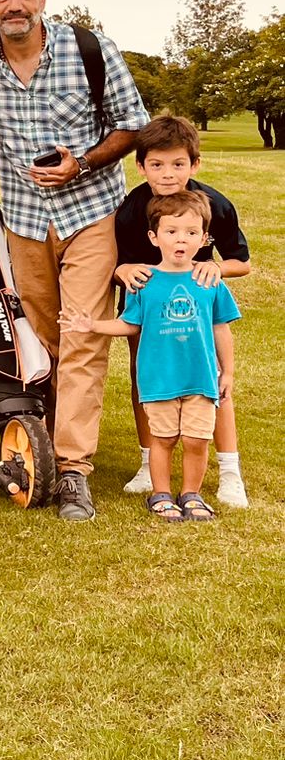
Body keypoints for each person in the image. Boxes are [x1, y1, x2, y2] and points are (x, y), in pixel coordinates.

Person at [0, 0, 148, 521]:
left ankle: (74, 471)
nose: (16, 4)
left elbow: (132, 123)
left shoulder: (90, 50)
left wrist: (80, 163)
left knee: (82, 334)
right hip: (24, 221)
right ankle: (54, 435)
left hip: (91, 214)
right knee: (45, 337)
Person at [60, 190, 238, 521]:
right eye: (171, 232)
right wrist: (90, 324)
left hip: (200, 378)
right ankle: (161, 494)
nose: (181, 240)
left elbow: (220, 329)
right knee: (165, 438)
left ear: (204, 238)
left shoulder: (209, 282)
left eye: (191, 233)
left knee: (197, 441)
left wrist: (226, 372)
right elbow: (129, 325)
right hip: (159, 380)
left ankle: (192, 494)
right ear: (154, 238)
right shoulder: (144, 283)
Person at [113, 115, 251, 507]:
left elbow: (241, 261)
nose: (168, 174)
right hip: (147, 309)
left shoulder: (215, 205)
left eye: (178, 164)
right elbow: (120, 261)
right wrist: (122, 269)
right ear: (140, 166)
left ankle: (229, 471)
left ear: (195, 165)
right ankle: (147, 463)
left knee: (215, 383)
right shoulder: (131, 210)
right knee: (145, 379)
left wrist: (214, 267)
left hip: (199, 311)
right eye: (157, 165)